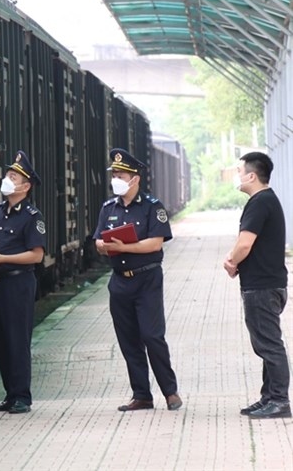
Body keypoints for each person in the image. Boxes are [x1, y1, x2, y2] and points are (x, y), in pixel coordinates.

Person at [93, 148, 182, 412]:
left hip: (147, 280)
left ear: (135, 179)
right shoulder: (108, 207)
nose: (116, 179)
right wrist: (106, 245)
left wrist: (122, 246)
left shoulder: (152, 207)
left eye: (120, 174)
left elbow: (155, 244)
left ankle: (170, 391)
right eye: (114, 174)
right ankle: (141, 394)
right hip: (120, 281)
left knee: (152, 336)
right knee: (129, 340)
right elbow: (98, 241)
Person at [0, 150, 46, 414]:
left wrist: (3, 256)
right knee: (1, 341)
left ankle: (22, 397)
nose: (7, 178)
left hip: (18, 284)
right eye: (8, 174)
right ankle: (9, 394)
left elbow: (36, 255)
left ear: (25, 186)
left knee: (17, 340)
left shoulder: (31, 216)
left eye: (13, 176)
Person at [223, 152, 290, 419]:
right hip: (266, 284)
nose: (237, 176)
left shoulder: (260, 202)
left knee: (270, 345)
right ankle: (268, 397)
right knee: (264, 343)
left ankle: (280, 401)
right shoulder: (265, 201)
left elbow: (244, 243)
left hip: (262, 287)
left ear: (251, 175)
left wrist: (231, 261)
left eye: (239, 171)